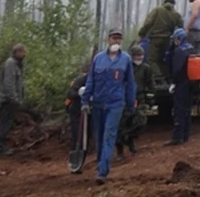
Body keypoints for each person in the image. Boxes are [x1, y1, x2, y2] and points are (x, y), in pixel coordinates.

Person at [81, 29, 136, 185]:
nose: (116, 41)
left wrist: (131, 103)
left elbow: (130, 83)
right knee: (99, 137)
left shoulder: (125, 60)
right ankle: (101, 163)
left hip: (115, 104)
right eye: (114, 38)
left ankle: (102, 172)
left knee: (108, 136)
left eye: (119, 38)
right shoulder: (98, 59)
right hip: (98, 103)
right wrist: (85, 101)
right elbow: (90, 81)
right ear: (108, 39)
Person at [117, 46, 154, 158]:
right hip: (125, 99)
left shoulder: (146, 68)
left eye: (141, 55)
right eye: (137, 55)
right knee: (122, 124)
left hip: (140, 98)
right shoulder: (124, 67)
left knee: (140, 121)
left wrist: (150, 98)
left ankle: (129, 138)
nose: (140, 58)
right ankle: (120, 151)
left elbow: (151, 84)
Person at [138, 0, 182, 79]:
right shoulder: (176, 14)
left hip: (155, 38)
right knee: (162, 59)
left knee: (151, 59)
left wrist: (142, 33)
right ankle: (167, 76)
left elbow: (148, 22)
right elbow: (181, 27)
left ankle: (158, 76)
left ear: (164, 2)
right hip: (167, 40)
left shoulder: (157, 9)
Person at [0, 44, 27, 156]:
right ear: (17, 52)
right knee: (5, 123)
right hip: (8, 100)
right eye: (23, 52)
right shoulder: (10, 63)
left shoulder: (16, 64)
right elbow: (8, 83)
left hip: (11, 100)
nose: (24, 54)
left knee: (7, 123)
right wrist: (14, 98)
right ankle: (0, 148)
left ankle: (2, 146)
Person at [164, 28, 193, 146]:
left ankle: (177, 137)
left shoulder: (180, 51)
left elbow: (176, 68)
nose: (174, 41)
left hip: (181, 83)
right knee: (187, 110)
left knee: (179, 110)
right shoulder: (191, 48)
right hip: (191, 83)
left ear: (179, 38)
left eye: (175, 38)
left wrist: (173, 83)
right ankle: (186, 135)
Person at [65, 65, 90, 151]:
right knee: (77, 133)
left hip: (91, 111)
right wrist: (80, 93)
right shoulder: (80, 80)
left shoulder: (100, 81)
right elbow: (70, 93)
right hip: (76, 110)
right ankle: (76, 150)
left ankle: (87, 149)